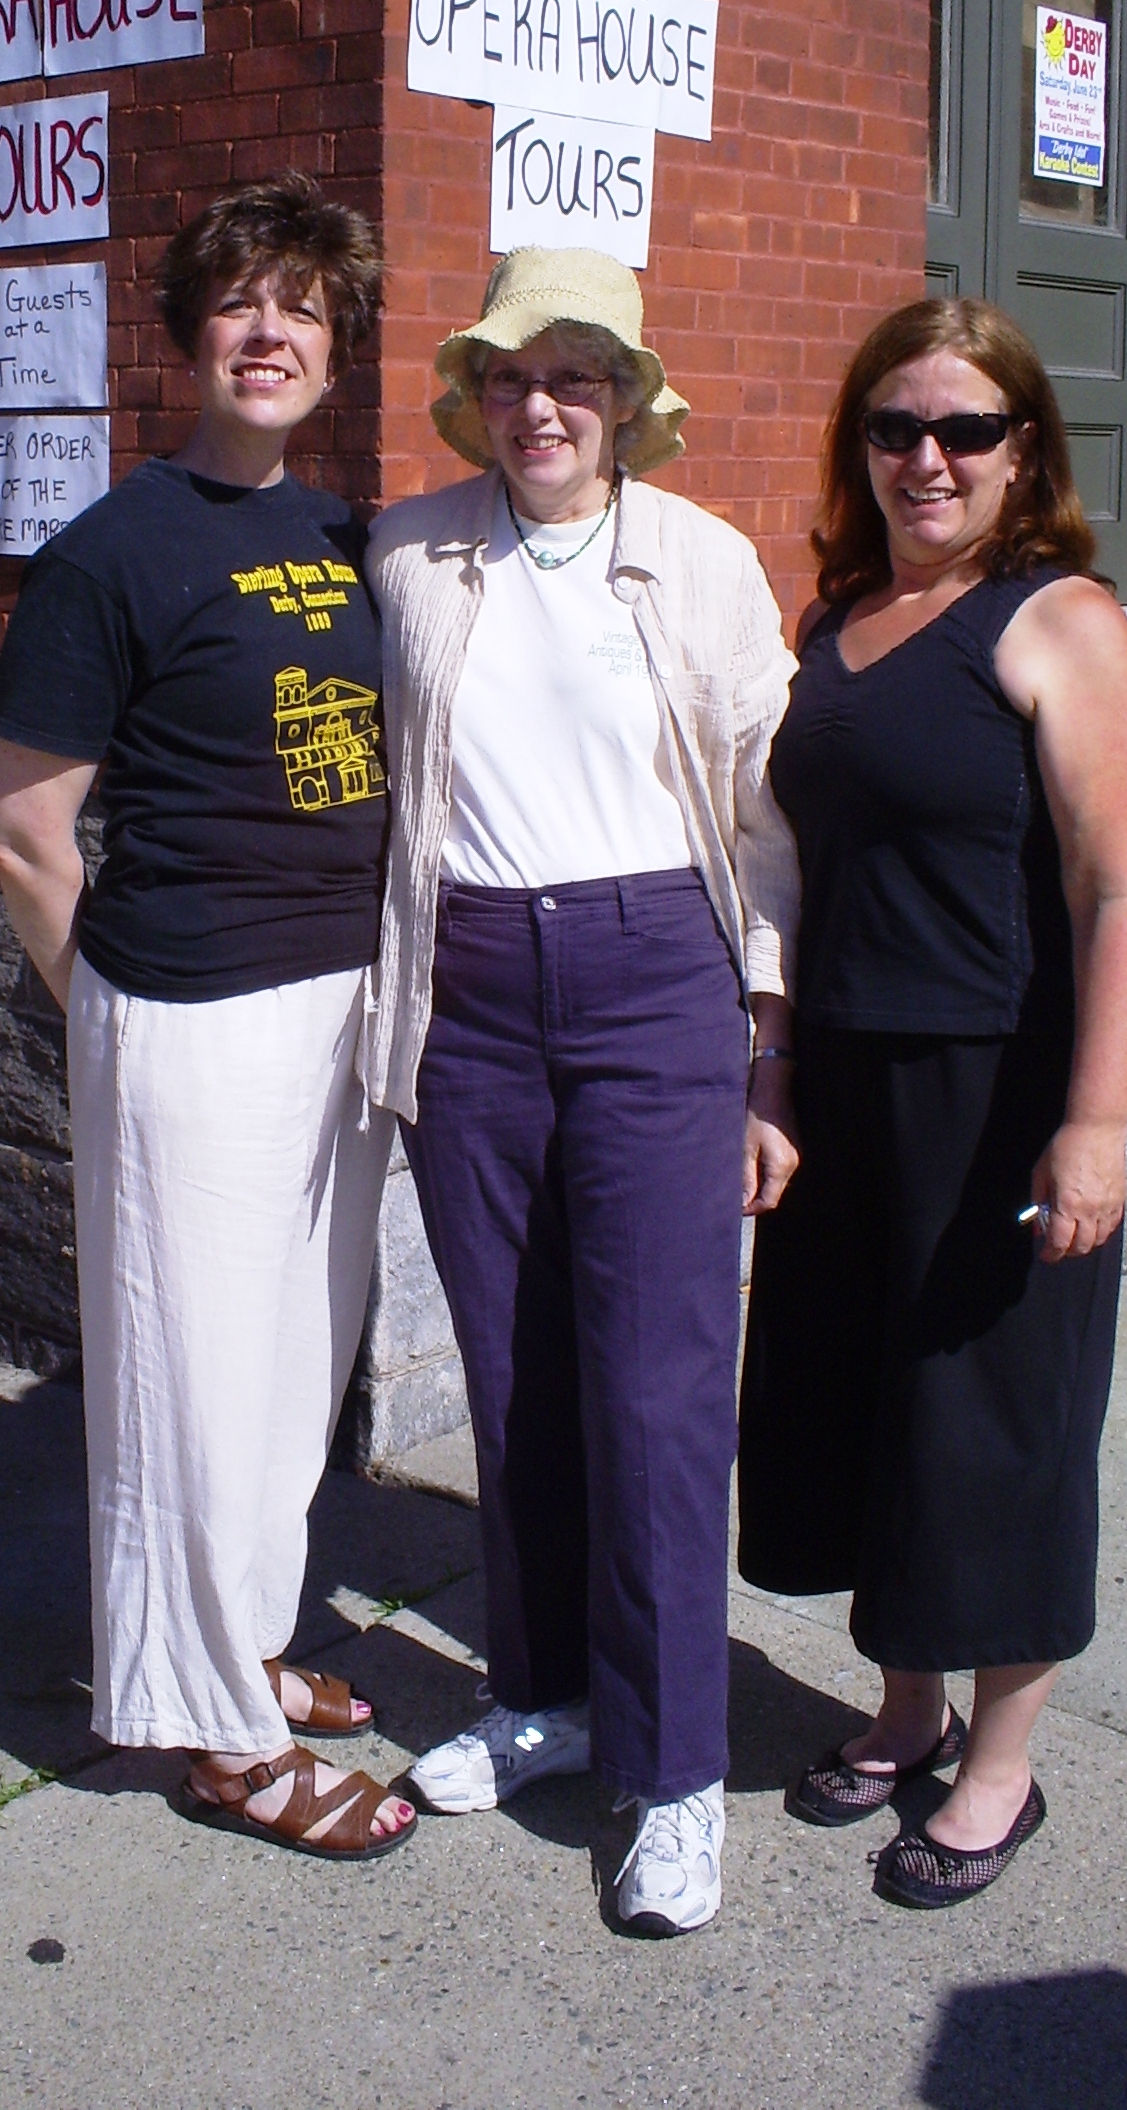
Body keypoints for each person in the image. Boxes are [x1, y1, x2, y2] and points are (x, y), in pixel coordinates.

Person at [364, 246, 801, 1935]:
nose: (540, 405)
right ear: (475, 395)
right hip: (468, 991)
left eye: (578, 375)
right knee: (516, 1371)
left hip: (654, 983)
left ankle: (674, 1771)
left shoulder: (700, 562)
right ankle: (542, 1694)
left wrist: (768, 1037)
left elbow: (767, 806)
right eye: (511, 376)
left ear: (626, 398)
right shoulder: (409, 549)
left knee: (660, 1395)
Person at [0, 173, 415, 1860]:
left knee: (296, 1365)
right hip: (190, 1013)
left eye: (303, 307)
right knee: (190, 1385)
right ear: (186, 333)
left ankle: (250, 1643)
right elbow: (27, 832)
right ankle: (220, 1740)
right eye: (241, 302)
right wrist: (112, 1016)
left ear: (336, 347)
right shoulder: (109, 553)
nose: (270, 332)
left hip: (340, 1006)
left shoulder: (346, 536)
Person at [737, 294, 1127, 1909]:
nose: (928, 457)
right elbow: (796, 859)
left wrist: (1097, 1120)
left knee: (993, 1426)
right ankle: (903, 1708)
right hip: (845, 1077)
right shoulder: (836, 621)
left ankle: (1001, 1766)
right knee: (861, 1407)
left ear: (1022, 450)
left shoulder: (1059, 620)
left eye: (965, 431)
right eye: (895, 428)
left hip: (996, 1084)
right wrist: (771, 1067)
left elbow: (1119, 889)